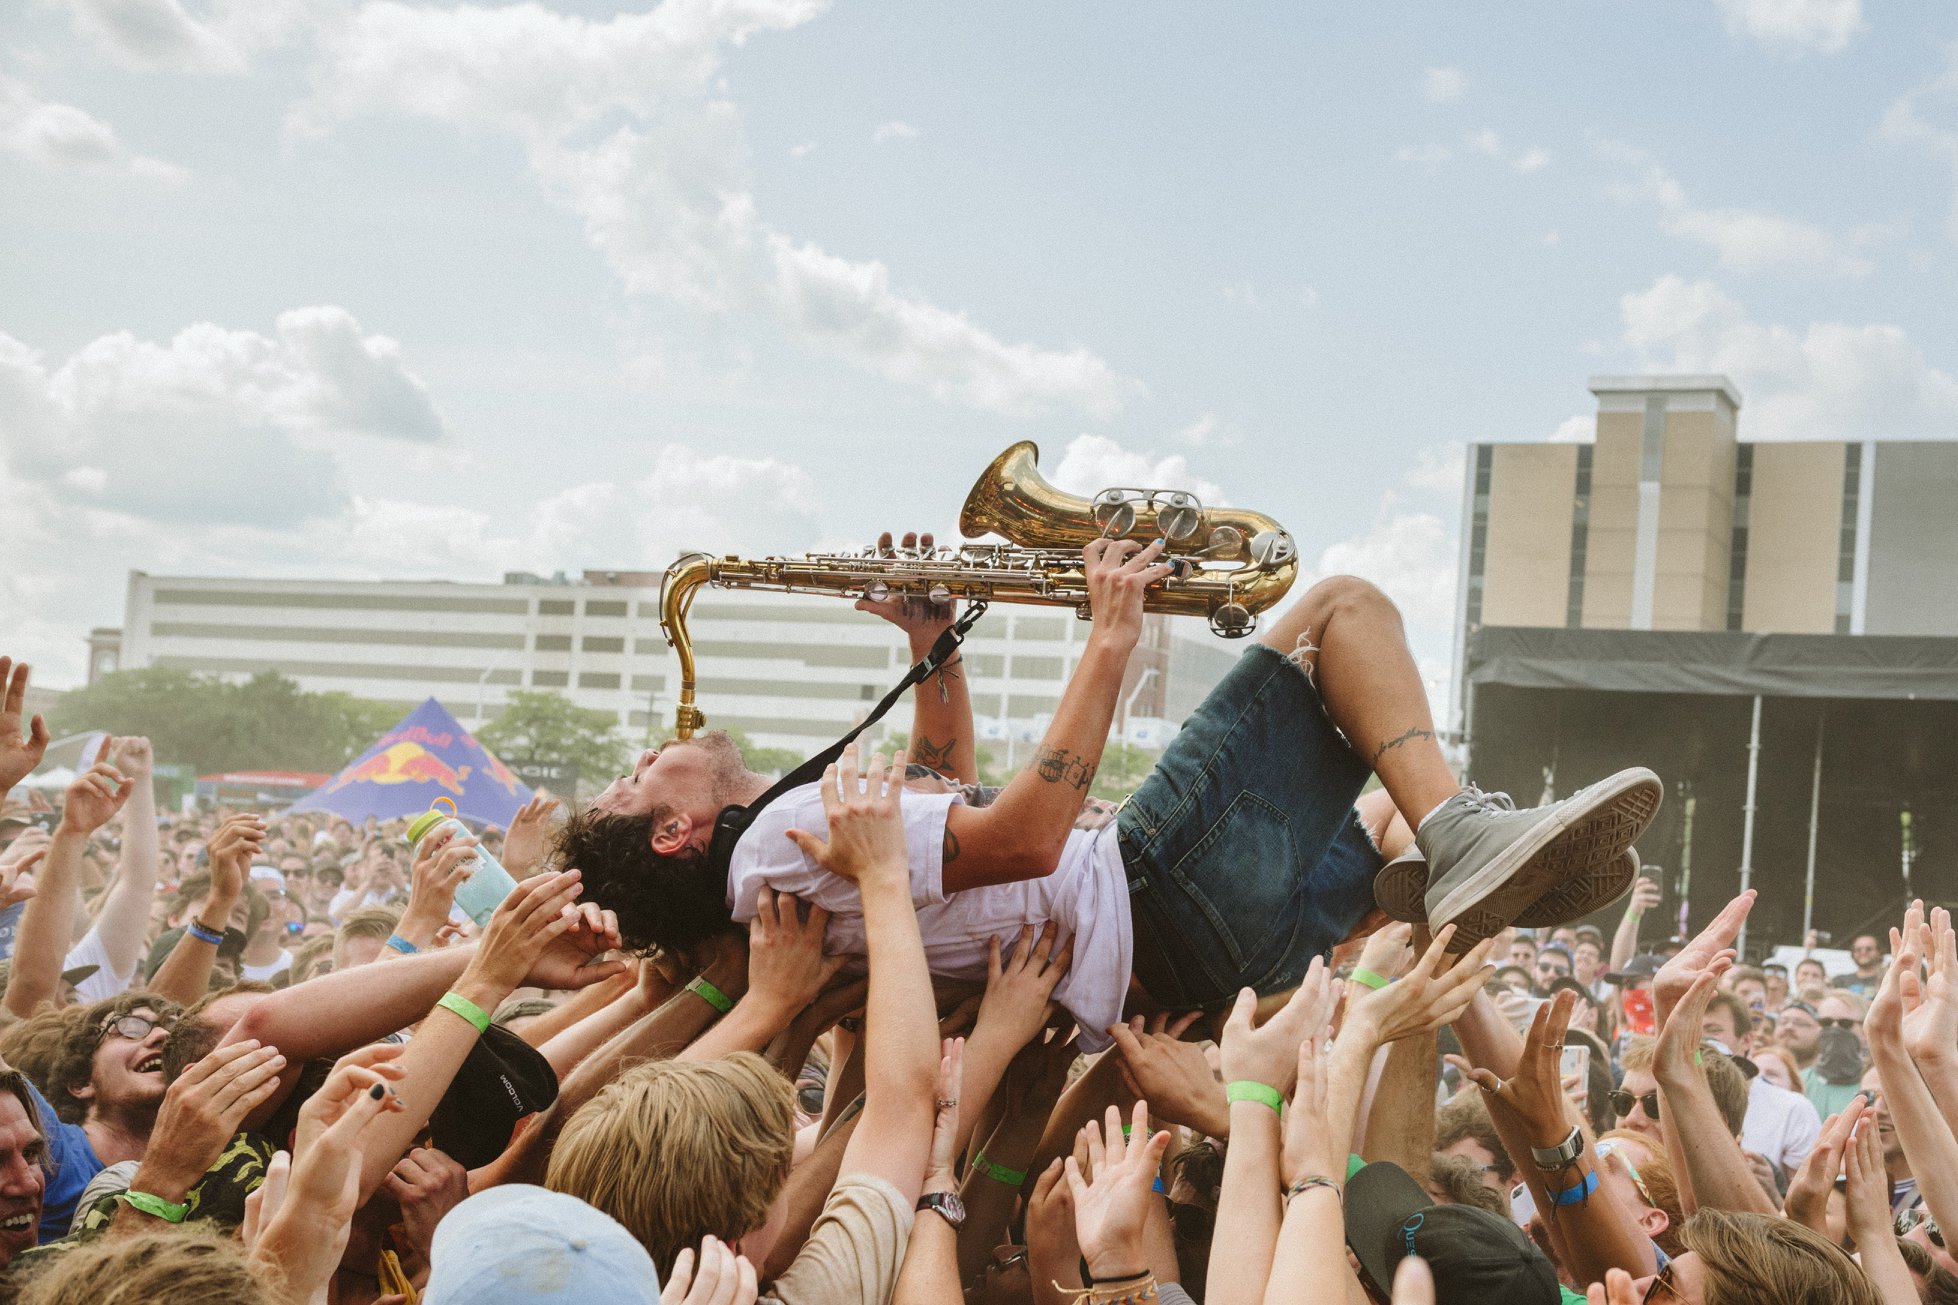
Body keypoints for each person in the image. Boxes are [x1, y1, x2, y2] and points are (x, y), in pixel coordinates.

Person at [564, 550, 1660, 1040]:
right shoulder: (787, 836)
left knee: (1389, 835)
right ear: (672, 831)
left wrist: (934, 648)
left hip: (1194, 957)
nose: (645, 754)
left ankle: (1462, 856)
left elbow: (940, 792)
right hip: (1144, 894)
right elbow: (1022, 840)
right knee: (1341, 609)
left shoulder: (778, 853)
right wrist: (1107, 642)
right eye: (629, 784)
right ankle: (1471, 832)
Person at [1842, 934, 1884, 999]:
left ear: (1879, 952)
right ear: (1853, 954)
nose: (1863, 952)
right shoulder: (1840, 981)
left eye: (1868, 949)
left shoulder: (1886, 979)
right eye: (1858, 949)